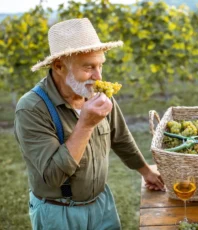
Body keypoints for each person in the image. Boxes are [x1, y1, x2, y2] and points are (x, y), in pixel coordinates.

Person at [14, 18, 165, 230]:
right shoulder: (31, 108)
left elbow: (120, 137)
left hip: (102, 205)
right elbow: (52, 176)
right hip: (59, 212)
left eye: (100, 65)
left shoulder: (96, 93)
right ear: (59, 66)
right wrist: (85, 125)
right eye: (88, 67)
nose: (98, 76)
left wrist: (146, 171)